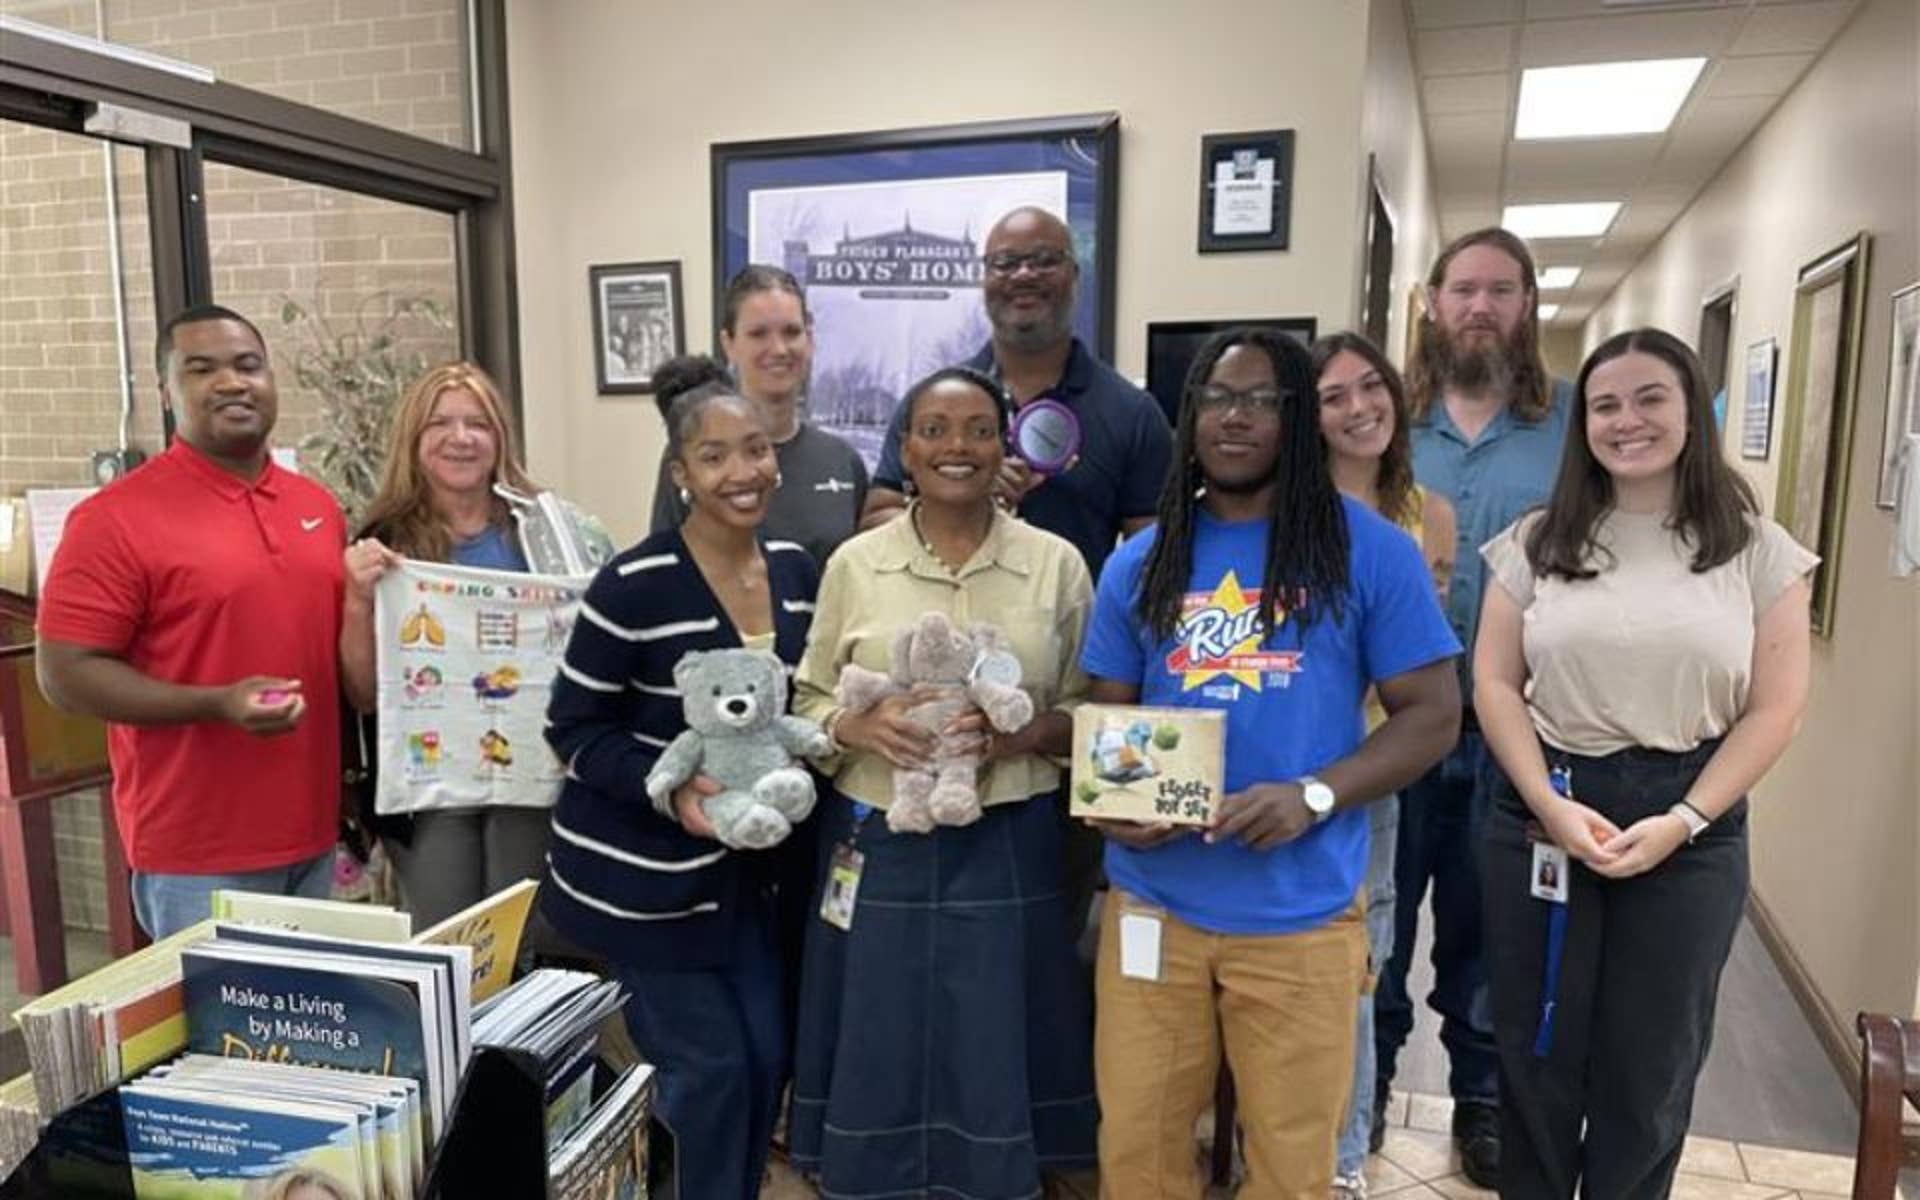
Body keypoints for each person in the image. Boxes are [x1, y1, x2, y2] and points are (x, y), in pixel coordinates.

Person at [1079, 328, 1460, 1199]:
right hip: (1155, 907)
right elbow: (1110, 714)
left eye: (1262, 399)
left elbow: (1433, 716)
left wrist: (1315, 793)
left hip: (1302, 916)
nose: (1235, 417)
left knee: (1293, 1168)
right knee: (1138, 1157)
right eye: (1217, 398)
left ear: (1299, 418)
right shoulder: (1142, 561)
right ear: (1191, 416)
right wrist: (1112, 803)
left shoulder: (1371, 551)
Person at [1475, 328, 1814, 1198]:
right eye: (1605, 404)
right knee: (1536, 1057)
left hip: (1688, 826)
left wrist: (1686, 820)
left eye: (1650, 398)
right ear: (1582, 422)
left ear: (1692, 411)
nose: (1627, 421)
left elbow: (1775, 707)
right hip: (1545, 814)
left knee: (1652, 1069)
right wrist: (1548, 810)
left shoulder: (1755, 548)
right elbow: (1495, 684)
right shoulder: (1535, 541)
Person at [789, 367, 1098, 1197]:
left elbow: (1091, 712)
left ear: (1005, 446)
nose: (955, 448)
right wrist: (855, 727)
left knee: (994, 1026)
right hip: (877, 833)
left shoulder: (1057, 566)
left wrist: (1022, 734)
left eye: (976, 430)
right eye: (933, 429)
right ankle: (870, 1174)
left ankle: (993, 1176)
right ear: (905, 448)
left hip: (1008, 834)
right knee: (880, 1023)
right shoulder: (856, 564)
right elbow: (810, 698)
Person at [861, 203, 1174, 951]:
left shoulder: (1129, 412)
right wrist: (954, 490)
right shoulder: (938, 397)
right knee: (929, 932)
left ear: (1074, 274)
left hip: (1061, 712)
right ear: (984, 280)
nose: (1023, 276)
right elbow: (872, 521)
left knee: (1045, 928)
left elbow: (1159, 568)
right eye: (1005, 262)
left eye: (1043, 259)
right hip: (936, 706)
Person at [540, 359, 816, 1200]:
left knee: (767, 1062)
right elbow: (572, 728)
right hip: (648, 886)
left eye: (756, 450)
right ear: (681, 473)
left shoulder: (802, 572)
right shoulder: (633, 583)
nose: (742, 472)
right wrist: (674, 792)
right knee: (710, 1073)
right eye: (715, 456)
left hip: (755, 885)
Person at [36, 304, 346, 939]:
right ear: (167, 392)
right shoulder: (115, 518)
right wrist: (216, 703)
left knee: (312, 1036)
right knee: (220, 1042)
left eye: (247, 365)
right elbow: (65, 675)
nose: (231, 383)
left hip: (314, 836)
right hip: (196, 854)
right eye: (201, 369)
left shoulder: (316, 506)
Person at [1373, 226, 1573, 1185]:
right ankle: (1365, 1085)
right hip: (1387, 721)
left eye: (1502, 290)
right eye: (1464, 290)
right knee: (1375, 918)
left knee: (1489, 935)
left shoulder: (1573, 428)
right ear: (1434, 305)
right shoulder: (1386, 425)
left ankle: (1481, 1106)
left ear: (1528, 305)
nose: (1481, 308)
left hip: (1514, 729)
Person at [338, 360, 610, 928]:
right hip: (429, 782)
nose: (460, 438)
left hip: (533, 777)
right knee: (446, 940)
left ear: (499, 437)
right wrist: (359, 599)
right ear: (414, 441)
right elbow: (363, 695)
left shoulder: (554, 532)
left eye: (477, 423)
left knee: (527, 938)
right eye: (440, 424)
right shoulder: (383, 543)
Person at [1311, 332, 1456, 1199]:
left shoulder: (1425, 514)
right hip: (1284, 764)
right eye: (1333, 395)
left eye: (1372, 387)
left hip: (1374, 773)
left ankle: (1340, 1164)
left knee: (1360, 969)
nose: (1359, 406)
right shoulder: (1279, 509)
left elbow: (1418, 657)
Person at [651, 264, 868, 573]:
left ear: (809, 339)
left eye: (791, 332)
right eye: (758, 334)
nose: (778, 349)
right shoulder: (695, 456)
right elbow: (661, 571)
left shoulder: (841, 461)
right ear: (729, 344)